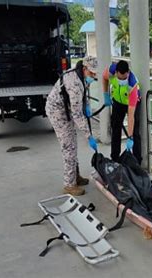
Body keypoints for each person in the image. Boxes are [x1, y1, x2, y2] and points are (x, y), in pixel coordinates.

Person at [45, 56, 99, 196]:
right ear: (85, 68)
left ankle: (75, 176)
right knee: (68, 147)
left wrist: (87, 106)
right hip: (58, 112)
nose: (93, 76)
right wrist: (89, 136)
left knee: (73, 143)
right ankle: (69, 184)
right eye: (91, 73)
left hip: (66, 109)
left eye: (95, 73)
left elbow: (84, 93)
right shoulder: (74, 83)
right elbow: (77, 115)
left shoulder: (81, 75)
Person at [102, 60, 142, 163]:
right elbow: (104, 77)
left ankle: (137, 161)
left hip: (131, 103)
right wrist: (106, 94)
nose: (121, 80)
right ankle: (115, 158)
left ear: (128, 73)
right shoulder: (112, 70)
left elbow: (131, 116)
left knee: (135, 133)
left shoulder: (132, 85)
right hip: (117, 102)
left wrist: (129, 137)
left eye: (124, 78)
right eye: (119, 78)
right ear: (116, 73)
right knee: (115, 128)